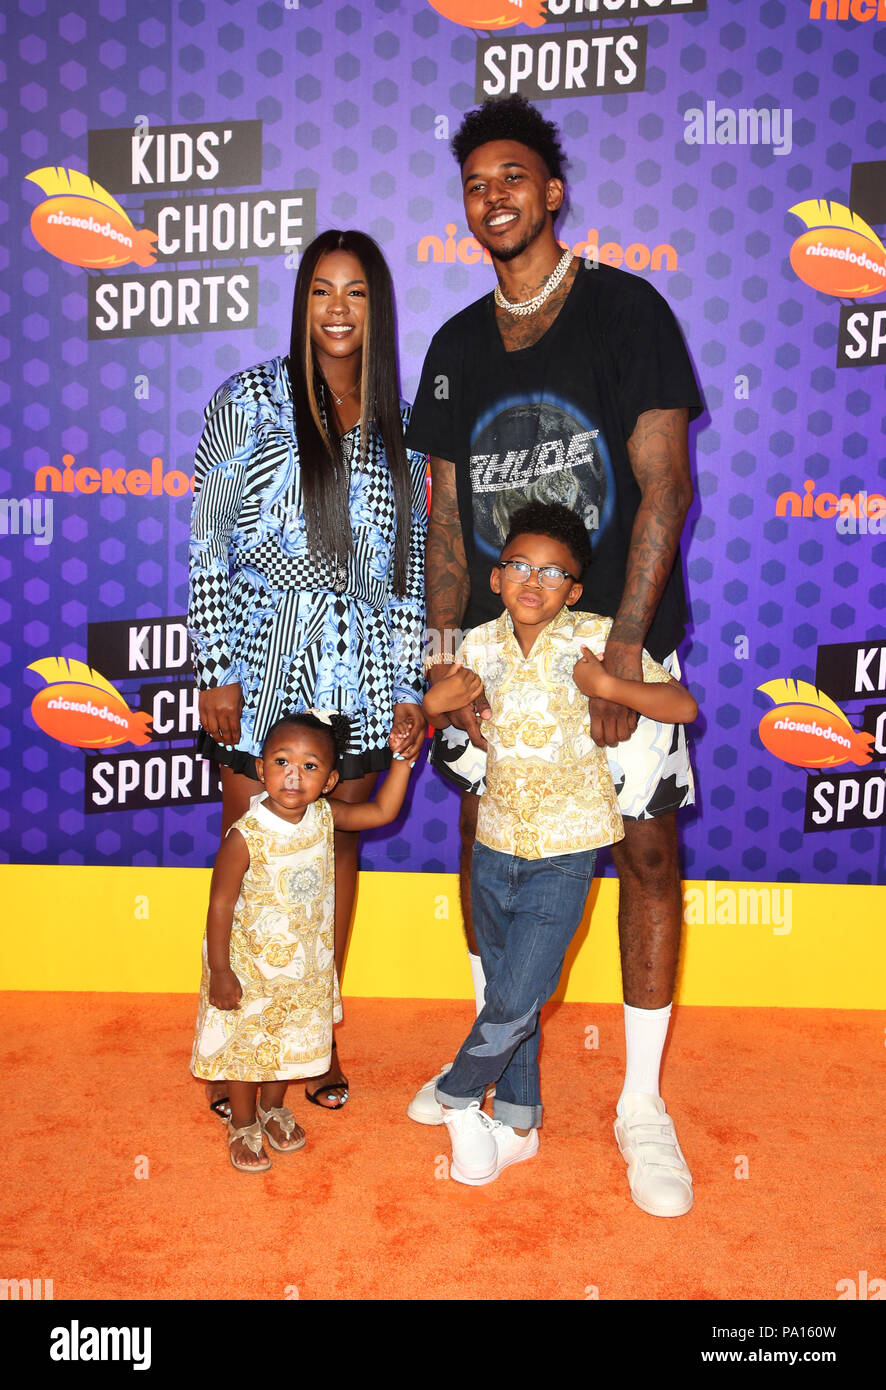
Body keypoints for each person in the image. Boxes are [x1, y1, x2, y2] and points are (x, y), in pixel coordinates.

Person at [405, 96, 703, 1217]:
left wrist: (623, 655)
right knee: (493, 857)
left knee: (647, 858)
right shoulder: (451, 347)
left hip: (615, 654)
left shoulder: (627, 310)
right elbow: (440, 525)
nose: (495, 197)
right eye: (476, 182)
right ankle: (502, 1094)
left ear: (553, 189)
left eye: (514, 176)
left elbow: (665, 482)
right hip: (495, 665)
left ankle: (638, 1103)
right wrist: (445, 668)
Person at [188, 231, 427, 1116]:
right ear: (301, 303)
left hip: (360, 671)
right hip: (261, 658)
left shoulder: (399, 421)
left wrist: (406, 686)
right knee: (252, 866)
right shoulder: (248, 398)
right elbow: (211, 542)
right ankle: (238, 1046)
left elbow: (406, 575)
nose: (336, 309)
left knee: (330, 865)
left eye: (356, 292)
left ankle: (311, 1040)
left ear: (377, 307)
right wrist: (216, 668)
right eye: (321, 290)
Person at [422, 504, 697, 1193]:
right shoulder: (476, 645)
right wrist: (435, 701)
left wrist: (608, 686)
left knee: (523, 991)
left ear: (575, 589)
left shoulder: (598, 640)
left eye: (554, 572)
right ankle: (516, 1125)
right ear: (496, 576)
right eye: (519, 566)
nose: (534, 581)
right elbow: (429, 701)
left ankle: (457, 1094)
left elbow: (682, 707)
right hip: (494, 847)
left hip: (567, 852)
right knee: (511, 987)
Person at [191, 711, 415, 1171]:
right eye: (281, 761)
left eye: (310, 766)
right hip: (248, 968)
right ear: (260, 769)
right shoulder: (245, 836)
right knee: (248, 1046)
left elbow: (381, 812)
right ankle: (244, 1121)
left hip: (303, 966)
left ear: (331, 780)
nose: (293, 775)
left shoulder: (325, 818)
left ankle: (273, 1107)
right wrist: (220, 970)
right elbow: (219, 907)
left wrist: (401, 761)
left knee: (289, 1042)